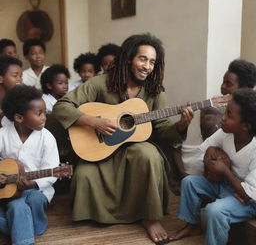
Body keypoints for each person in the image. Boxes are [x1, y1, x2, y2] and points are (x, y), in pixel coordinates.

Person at [53, 33, 194, 243]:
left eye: (153, 62)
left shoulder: (154, 91)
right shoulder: (100, 83)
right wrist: (93, 122)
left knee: (150, 156)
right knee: (84, 174)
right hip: (100, 148)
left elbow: (162, 128)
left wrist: (181, 125)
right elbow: (61, 106)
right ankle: (100, 215)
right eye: (143, 59)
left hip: (134, 148)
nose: (147, 66)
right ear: (129, 58)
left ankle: (150, 217)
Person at [169, 88, 256, 245]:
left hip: (248, 201)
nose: (222, 118)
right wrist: (211, 157)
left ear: (245, 126)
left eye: (229, 115)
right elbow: (204, 150)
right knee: (189, 182)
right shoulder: (225, 133)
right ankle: (192, 225)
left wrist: (225, 171)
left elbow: (248, 195)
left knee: (214, 210)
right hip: (226, 185)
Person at [0, 85, 59, 245]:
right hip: (7, 191)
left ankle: (23, 237)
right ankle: (32, 227)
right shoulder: (2, 135)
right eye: (38, 113)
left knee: (20, 205)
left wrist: (32, 183)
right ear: (19, 118)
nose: (44, 117)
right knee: (16, 205)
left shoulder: (47, 138)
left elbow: (52, 172)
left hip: (36, 189)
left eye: (44, 112)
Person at [172, 107, 222, 182]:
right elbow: (176, 148)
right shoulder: (193, 139)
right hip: (187, 178)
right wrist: (183, 174)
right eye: (202, 116)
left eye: (209, 116)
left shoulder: (221, 141)